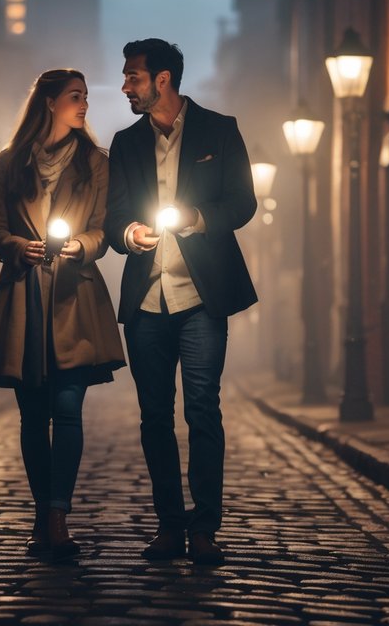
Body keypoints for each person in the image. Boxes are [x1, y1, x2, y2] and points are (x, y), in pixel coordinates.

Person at [104, 38, 258, 565]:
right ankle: (169, 525)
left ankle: (205, 530)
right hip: (146, 301)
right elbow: (113, 215)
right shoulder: (124, 143)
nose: (125, 85)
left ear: (162, 80)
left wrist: (196, 220)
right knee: (153, 417)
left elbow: (243, 202)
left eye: (133, 77)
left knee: (202, 410)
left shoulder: (220, 129)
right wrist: (128, 233)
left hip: (200, 299)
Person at [0, 68, 126, 560]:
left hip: (74, 298)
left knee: (68, 408)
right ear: (50, 103)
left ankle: (58, 514)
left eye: (84, 97)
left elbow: (103, 229)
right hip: (23, 298)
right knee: (33, 415)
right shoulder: (10, 162)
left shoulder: (96, 163)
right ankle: (42, 514)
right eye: (75, 97)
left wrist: (79, 245)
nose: (84, 105)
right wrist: (19, 245)